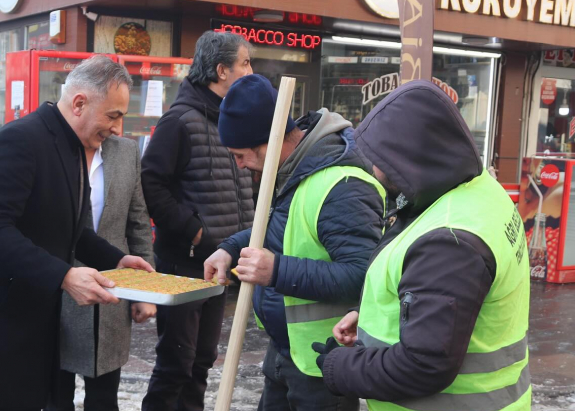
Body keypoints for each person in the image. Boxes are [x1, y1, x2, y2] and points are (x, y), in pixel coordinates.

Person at [0, 56, 154, 411]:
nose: (117, 127)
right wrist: (63, 275)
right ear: (79, 103)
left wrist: (118, 260)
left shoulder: (75, 144)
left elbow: (71, 228)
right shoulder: (20, 139)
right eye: (113, 115)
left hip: (35, 329)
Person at [313, 80, 531, 411]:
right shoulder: (476, 191)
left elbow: (424, 364)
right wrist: (374, 316)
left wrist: (339, 367)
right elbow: (442, 303)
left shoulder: (449, 241)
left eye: (382, 159)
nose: (374, 169)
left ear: (412, 158)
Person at [204, 74, 387, 411]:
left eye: (241, 155)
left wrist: (275, 270)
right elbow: (282, 232)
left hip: (323, 362)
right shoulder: (293, 169)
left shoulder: (342, 184)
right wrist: (230, 248)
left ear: (268, 142)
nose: (239, 165)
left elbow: (363, 276)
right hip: (285, 352)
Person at [140, 30, 255, 411]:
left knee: (201, 363)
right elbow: (150, 182)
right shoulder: (179, 121)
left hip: (219, 264)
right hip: (184, 262)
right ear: (222, 71)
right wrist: (194, 229)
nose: (250, 70)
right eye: (245, 63)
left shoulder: (231, 119)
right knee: (176, 365)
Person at [46, 130, 157, 410]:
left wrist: (145, 291)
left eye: (121, 114)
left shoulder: (126, 151)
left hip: (112, 290)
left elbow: (138, 222)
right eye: (112, 114)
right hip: (59, 286)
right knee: (56, 396)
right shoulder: (52, 150)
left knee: (104, 398)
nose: (116, 125)